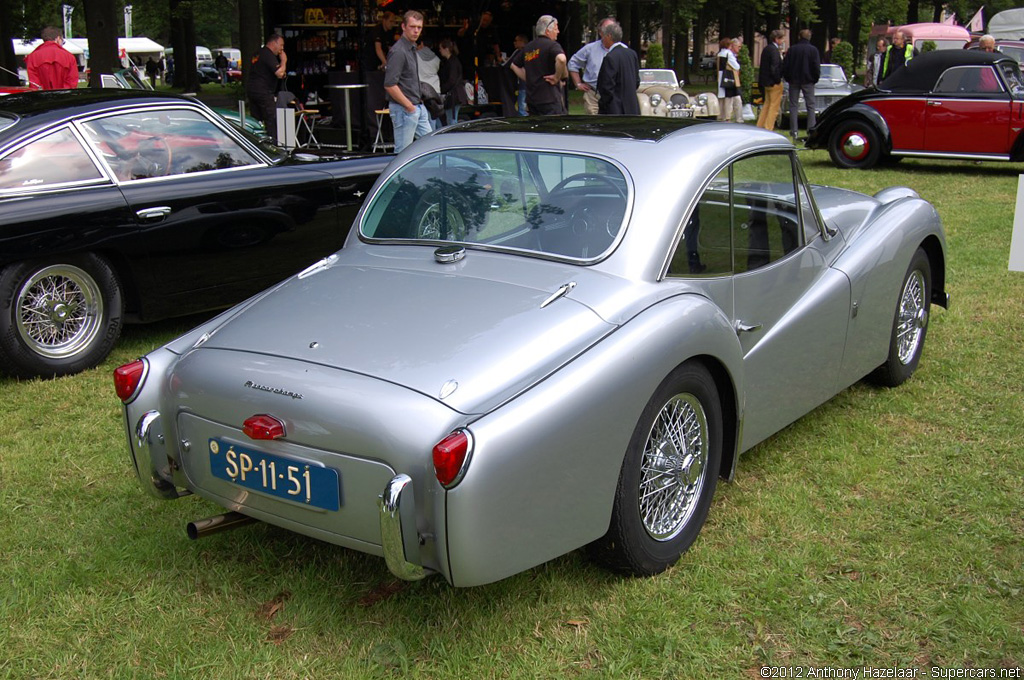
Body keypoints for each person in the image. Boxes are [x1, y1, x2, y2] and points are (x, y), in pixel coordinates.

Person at [384, 10, 432, 153]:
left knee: (432, 147)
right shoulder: (399, 51)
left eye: (419, 27)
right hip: (405, 109)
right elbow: (389, 85)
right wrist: (409, 107)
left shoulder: (411, 48)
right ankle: (397, 176)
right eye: (412, 27)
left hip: (415, 106)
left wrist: (414, 107)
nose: (416, 31)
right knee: (402, 153)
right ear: (403, 27)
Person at [510, 15, 568, 116]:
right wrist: (556, 77)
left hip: (532, 100)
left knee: (536, 129)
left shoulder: (528, 47)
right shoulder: (552, 45)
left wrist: (528, 78)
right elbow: (561, 59)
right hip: (550, 99)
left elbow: (513, 65)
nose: (558, 31)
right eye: (556, 28)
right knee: (553, 129)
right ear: (547, 31)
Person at [568, 17, 616, 115]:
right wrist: (578, 84)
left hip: (614, 95)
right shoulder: (590, 49)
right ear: (600, 32)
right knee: (594, 126)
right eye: (606, 29)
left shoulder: (622, 50)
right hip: (593, 96)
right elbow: (572, 63)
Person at [247, 33, 287, 143]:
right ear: (274, 43)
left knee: (256, 120)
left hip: (252, 90)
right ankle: (273, 145)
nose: (281, 49)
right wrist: (284, 60)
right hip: (264, 91)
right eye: (281, 45)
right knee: (271, 119)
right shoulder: (268, 54)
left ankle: (256, 143)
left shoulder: (257, 53)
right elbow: (279, 73)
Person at [782, 28, 820, 139]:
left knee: (793, 106)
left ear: (799, 37)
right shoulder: (813, 50)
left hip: (794, 80)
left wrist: (788, 78)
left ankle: (794, 131)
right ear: (810, 37)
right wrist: (814, 79)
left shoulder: (792, 49)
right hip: (808, 80)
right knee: (811, 106)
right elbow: (816, 66)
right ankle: (811, 130)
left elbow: (786, 65)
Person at [596, 21, 639, 115]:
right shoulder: (632, 54)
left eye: (603, 37)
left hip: (615, 109)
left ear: (609, 36)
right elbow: (636, 81)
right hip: (632, 107)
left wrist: (603, 104)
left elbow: (606, 86)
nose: (602, 40)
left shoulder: (610, 57)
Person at [756, 30, 785, 130]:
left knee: (767, 105)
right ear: (776, 39)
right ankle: (769, 127)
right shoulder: (774, 51)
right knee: (774, 107)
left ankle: (760, 126)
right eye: (781, 38)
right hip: (773, 82)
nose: (783, 40)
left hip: (766, 82)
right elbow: (774, 67)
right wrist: (777, 80)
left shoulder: (766, 49)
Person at [438, 38, 469, 125]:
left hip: (454, 96)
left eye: (441, 48)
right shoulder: (452, 61)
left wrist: (441, 89)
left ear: (446, 49)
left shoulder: (452, 62)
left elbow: (452, 80)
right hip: (455, 95)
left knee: (451, 120)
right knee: (451, 119)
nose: (439, 50)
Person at [417, 37, 443, 130]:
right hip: (435, 90)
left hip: (422, 90)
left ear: (422, 44)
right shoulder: (437, 59)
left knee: (423, 119)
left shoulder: (415, 55)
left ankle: (427, 140)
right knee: (433, 117)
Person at [716, 38, 742, 123]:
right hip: (729, 77)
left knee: (722, 98)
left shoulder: (719, 54)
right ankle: (728, 117)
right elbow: (736, 66)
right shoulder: (728, 54)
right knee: (729, 98)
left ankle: (721, 116)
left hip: (721, 77)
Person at [503, 34, 529, 116]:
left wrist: (502, 60)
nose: (514, 43)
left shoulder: (519, 51)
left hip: (523, 84)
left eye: (516, 41)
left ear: (522, 42)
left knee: (522, 109)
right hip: (531, 84)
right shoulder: (530, 52)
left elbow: (508, 64)